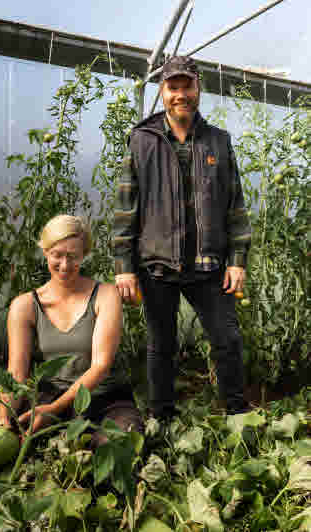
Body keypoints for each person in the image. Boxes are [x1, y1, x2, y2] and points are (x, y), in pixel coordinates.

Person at [113, 56, 251, 418]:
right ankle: (162, 419)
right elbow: (126, 207)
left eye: (186, 86)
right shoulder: (143, 140)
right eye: (172, 87)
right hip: (158, 263)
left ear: (198, 88)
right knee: (161, 345)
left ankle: (238, 416)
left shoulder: (218, 142)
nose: (180, 94)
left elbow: (235, 206)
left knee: (228, 339)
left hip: (208, 263)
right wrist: (123, 267)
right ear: (162, 91)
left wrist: (238, 261)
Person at [0, 214, 142, 448]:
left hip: (105, 398)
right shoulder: (25, 305)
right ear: (45, 251)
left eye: (73, 256)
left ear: (84, 255)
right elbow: (16, 373)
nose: (65, 265)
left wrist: (53, 410)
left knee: (115, 445)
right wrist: (3, 418)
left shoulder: (105, 295)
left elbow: (101, 366)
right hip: (50, 396)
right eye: (57, 255)